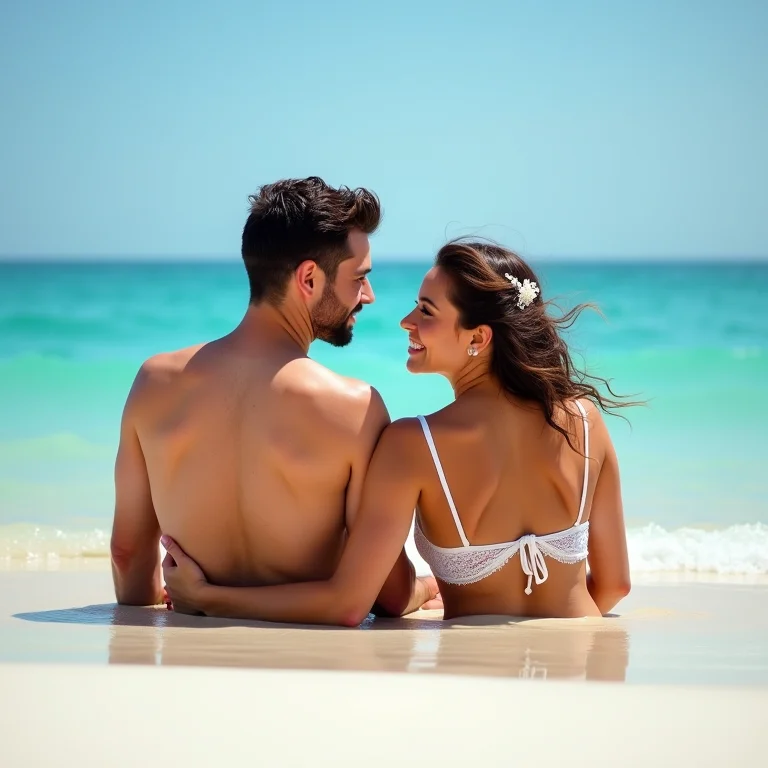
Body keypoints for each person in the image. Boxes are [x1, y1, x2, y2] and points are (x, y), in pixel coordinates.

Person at [163, 240, 634, 624]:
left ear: (478, 338)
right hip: (580, 669)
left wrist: (209, 597)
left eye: (426, 311)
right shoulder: (585, 422)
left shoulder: (415, 444)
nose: (406, 322)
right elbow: (614, 586)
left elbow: (346, 603)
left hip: (479, 681)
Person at [110, 176, 439, 616]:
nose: (369, 296)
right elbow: (390, 594)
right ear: (308, 278)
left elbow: (127, 555)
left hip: (192, 674)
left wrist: (178, 603)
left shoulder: (154, 382)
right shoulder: (354, 407)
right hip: (307, 669)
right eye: (359, 279)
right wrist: (428, 588)